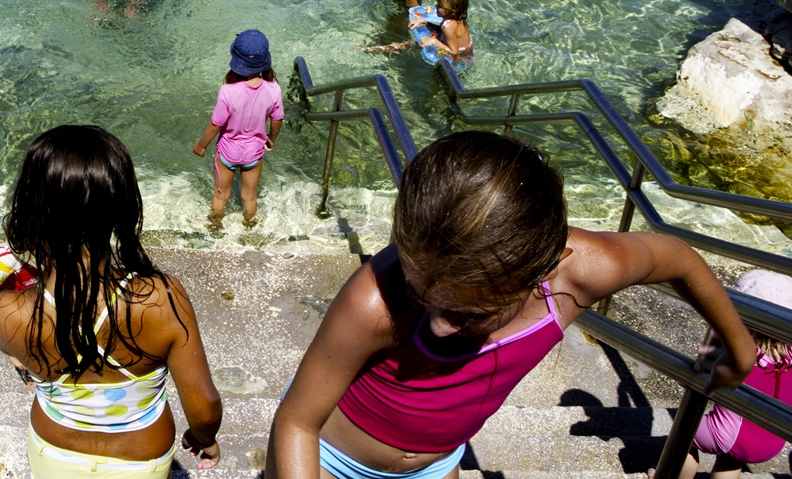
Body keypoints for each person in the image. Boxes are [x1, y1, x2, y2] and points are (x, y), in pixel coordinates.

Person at [266, 129, 756, 479]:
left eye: (466, 314)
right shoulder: (376, 299)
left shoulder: (586, 271)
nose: (436, 326)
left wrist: (740, 347)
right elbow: (297, 421)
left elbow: (680, 259)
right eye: (421, 295)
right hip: (330, 457)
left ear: (544, 270)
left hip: (438, 463)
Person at [0, 125, 224, 477]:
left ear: (32, 206)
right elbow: (204, 409)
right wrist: (203, 437)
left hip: (55, 453)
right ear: (122, 205)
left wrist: (2, 292)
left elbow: (25, 355)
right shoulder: (161, 298)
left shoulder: (10, 313)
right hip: (142, 459)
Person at [665, 270, 792, 479]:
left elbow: (703, 372)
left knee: (683, 433)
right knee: (732, 457)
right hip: (772, 441)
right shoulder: (789, 357)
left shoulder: (737, 352)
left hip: (727, 435)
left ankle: (670, 475)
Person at [191, 30, 283, 228]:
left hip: (227, 152)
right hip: (254, 152)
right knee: (249, 197)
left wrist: (201, 145)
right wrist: (271, 138)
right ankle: (249, 227)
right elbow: (277, 119)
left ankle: (215, 227)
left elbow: (216, 124)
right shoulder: (274, 88)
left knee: (221, 195)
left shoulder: (228, 91)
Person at [363, 0, 473, 61]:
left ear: (452, 10)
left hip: (462, 58)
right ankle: (376, 49)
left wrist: (433, 41)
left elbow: (455, 53)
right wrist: (425, 22)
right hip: (467, 52)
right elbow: (446, 33)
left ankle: (372, 50)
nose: (435, 7)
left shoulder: (448, 26)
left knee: (412, 44)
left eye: (440, 6)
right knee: (411, 44)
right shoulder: (458, 19)